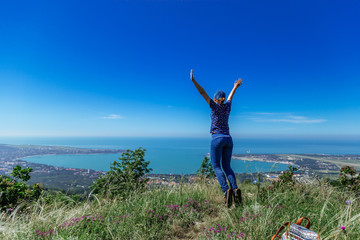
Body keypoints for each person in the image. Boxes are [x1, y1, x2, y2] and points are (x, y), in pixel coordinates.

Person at [190, 69, 243, 207]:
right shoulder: (227, 107)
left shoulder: (214, 106)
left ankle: (226, 192)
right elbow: (231, 96)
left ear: (215, 99)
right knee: (227, 166)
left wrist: (194, 81)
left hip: (217, 138)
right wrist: (235, 87)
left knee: (216, 166)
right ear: (223, 99)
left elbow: (202, 93)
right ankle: (235, 190)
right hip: (228, 139)